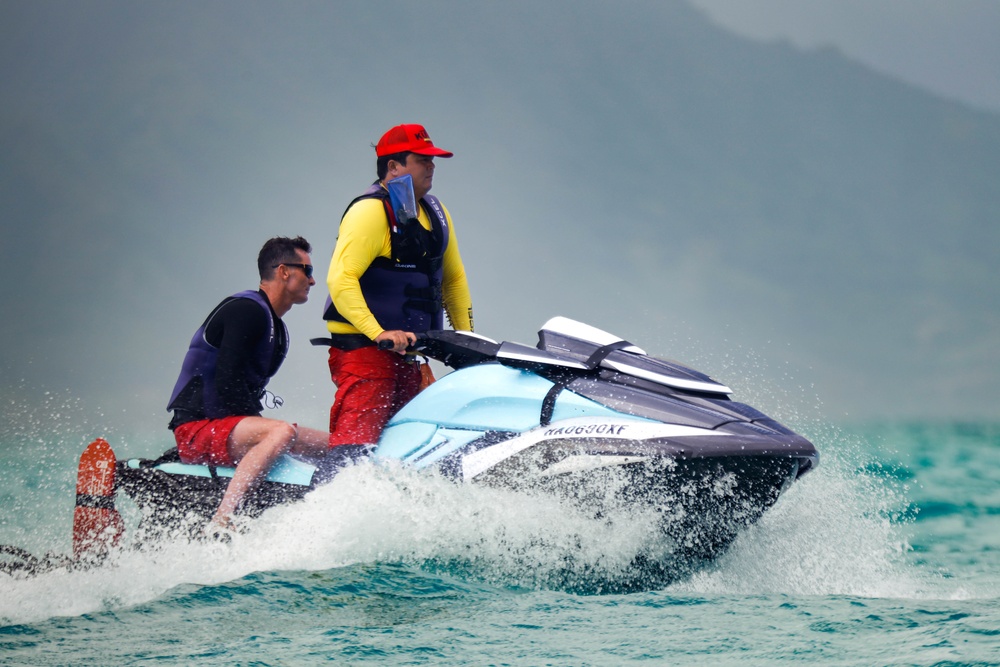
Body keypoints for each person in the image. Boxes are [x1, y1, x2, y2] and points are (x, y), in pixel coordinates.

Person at [319, 123, 474, 446]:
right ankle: (332, 492)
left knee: (411, 447)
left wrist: (468, 342)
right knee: (356, 445)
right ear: (393, 167)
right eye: (422, 159)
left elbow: (454, 280)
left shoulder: (437, 211)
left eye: (433, 160)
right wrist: (378, 332)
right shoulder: (369, 212)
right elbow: (340, 279)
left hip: (412, 356)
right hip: (365, 352)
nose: (432, 166)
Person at [167, 236, 332, 531]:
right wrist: (263, 428)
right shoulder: (247, 310)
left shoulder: (275, 325)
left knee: (336, 445)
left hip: (226, 429)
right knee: (282, 431)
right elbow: (227, 381)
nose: (313, 280)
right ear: (283, 271)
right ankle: (224, 519)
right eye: (307, 270)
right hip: (195, 429)